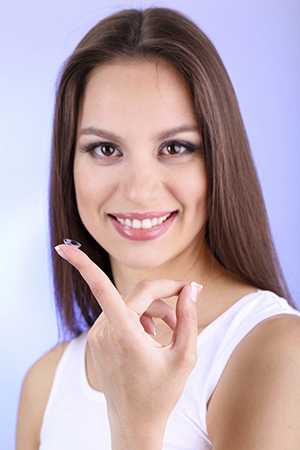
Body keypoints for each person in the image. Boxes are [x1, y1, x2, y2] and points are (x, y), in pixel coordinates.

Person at [15, 6, 300, 450]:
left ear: (219, 162)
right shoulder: (44, 383)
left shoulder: (276, 352)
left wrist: (137, 426)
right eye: (105, 148)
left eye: (175, 146)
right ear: (68, 166)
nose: (140, 190)